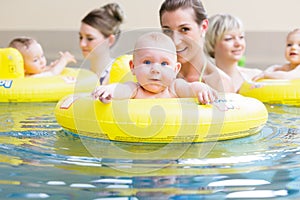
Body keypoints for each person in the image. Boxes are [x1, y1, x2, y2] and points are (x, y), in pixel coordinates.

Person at [92, 32, 217, 104]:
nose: (155, 69)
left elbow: (191, 88)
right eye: (147, 62)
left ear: (175, 69)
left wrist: (203, 89)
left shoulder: (175, 88)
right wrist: (109, 91)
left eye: (164, 64)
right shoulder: (135, 89)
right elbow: (121, 90)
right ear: (133, 67)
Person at [159, 0, 234, 93]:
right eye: (167, 31)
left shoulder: (221, 83)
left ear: (203, 27)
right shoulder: (153, 75)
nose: (175, 41)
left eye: (184, 29)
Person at [204, 13, 262, 92]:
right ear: (212, 44)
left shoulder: (255, 77)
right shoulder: (203, 83)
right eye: (229, 39)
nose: (238, 44)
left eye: (241, 37)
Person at [79, 3, 125, 85]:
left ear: (110, 40)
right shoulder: (84, 76)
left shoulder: (121, 74)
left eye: (90, 38)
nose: (82, 44)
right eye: (80, 37)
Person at [8, 37, 76, 77]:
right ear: (21, 66)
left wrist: (51, 66)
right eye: (35, 60)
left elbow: (44, 70)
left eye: (42, 56)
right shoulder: (30, 79)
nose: (42, 61)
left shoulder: (31, 72)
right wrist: (64, 60)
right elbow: (53, 73)